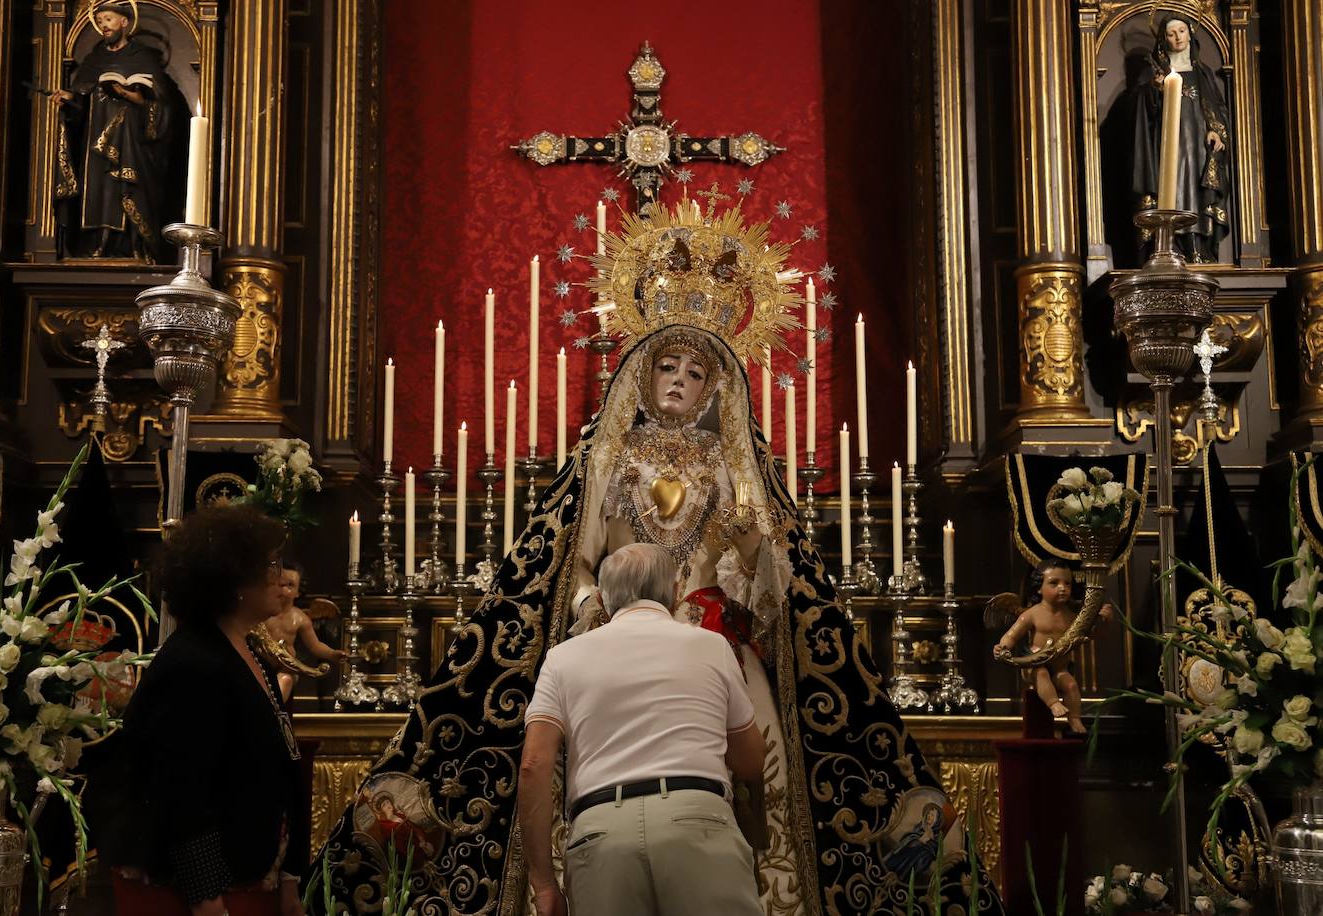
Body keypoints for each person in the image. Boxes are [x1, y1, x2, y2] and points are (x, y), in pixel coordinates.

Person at [307, 202, 1001, 914]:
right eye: (665, 366)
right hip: (613, 634)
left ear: (714, 388)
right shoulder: (606, 462)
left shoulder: (733, 467)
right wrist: (588, 608)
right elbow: (571, 560)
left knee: (769, 758)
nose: (677, 380)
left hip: (713, 641)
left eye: (694, 372)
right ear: (641, 376)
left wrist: (748, 563)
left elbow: (760, 572)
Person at [519, 543, 765, 916]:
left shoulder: (562, 658)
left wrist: (543, 883)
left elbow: (533, 765)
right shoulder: (712, 647)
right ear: (676, 591)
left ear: (601, 599)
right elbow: (750, 761)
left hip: (601, 832)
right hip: (696, 821)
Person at [101, 504, 307, 916]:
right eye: (268, 565)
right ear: (233, 579)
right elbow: (181, 788)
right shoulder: (193, 661)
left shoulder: (248, 651)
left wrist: (290, 878)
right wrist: (206, 899)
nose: (280, 577)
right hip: (184, 891)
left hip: (246, 872)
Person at [49, 2, 181, 262]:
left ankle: (135, 247)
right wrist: (70, 98)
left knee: (127, 190)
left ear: (124, 22)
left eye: (108, 19)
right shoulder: (95, 59)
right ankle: (96, 244)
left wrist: (136, 99)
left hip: (132, 142)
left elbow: (161, 105)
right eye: (99, 21)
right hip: (95, 143)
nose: (103, 26)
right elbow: (80, 101)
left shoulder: (143, 57)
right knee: (98, 192)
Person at [1131, 15, 1231, 262]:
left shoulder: (1202, 73)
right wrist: (1154, 91)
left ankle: (1197, 248)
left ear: (1190, 34)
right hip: (1167, 147)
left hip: (1197, 146)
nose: (1177, 37)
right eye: (1171, 33)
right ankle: (1170, 247)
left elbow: (1217, 107)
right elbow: (1144, 113)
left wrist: (1214, 130)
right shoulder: (1155, 72)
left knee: (1196, 194)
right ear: (1164, 39)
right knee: (1172, 192)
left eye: (1182, 31)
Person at [992, 560, 1113, 734]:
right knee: (1041, 673)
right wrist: (1002, 647)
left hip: (1061, 666)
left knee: (1071, 685)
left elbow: (1092, 636)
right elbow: (1012, 635)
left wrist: (1104, 621)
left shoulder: (1072, 617)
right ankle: (1053, 703)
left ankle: (1075, 719)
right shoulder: (1032, 614)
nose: (1062, 588)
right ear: (1039, 588)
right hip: (1034, 663)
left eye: (1067, 583)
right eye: (1054, 583)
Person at [263, 562, 347, 701]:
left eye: (290, 585)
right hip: (261, 663)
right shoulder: (263, 613)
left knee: (285, 679)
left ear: (298, 592)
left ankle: (272, 709)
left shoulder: (299, 618)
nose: (283, 589)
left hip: (287, 667)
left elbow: (315, 645)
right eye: (280, 584)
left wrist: (332, 654)